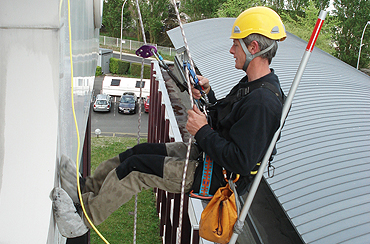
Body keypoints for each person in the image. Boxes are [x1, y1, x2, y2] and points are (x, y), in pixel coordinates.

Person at [51, 6, 287, 238]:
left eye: (236, 44)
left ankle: (82, 221)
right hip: (207, 157)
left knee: (135, 170)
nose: (231, 50)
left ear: (253, 47)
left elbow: (241, 161)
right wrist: (208, 95)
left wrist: (202, 130)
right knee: (137, 152)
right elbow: (229, 123)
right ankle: (86, 189)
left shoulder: (264, 102)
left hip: (212, 176)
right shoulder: (253, 86)